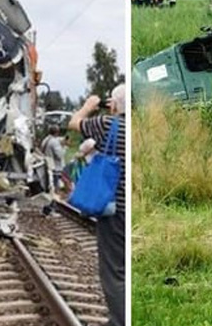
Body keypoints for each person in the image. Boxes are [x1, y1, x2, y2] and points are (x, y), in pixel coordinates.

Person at [68, 83, 126, 326]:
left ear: (114, 104)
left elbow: (73, 123)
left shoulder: (107, 124)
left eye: (111, 101)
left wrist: (89, 105)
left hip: (114, 210)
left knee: (113, 271)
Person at [41, 124, 67, 193]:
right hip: (56, 166)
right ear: (57, 132)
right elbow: (60, 155)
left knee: (49, 181)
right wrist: (64, 147)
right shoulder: (54, 142)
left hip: (48, 162)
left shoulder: (45, 139)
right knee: (56, 182)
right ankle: (57, 192)